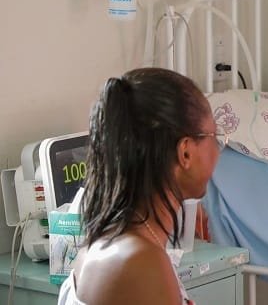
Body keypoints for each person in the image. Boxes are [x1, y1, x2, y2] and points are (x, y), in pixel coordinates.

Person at [60, 68, 221, 305]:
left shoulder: (105, 244)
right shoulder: (141, 263)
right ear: (185, 151)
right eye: (214, 138)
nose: (218, 151)